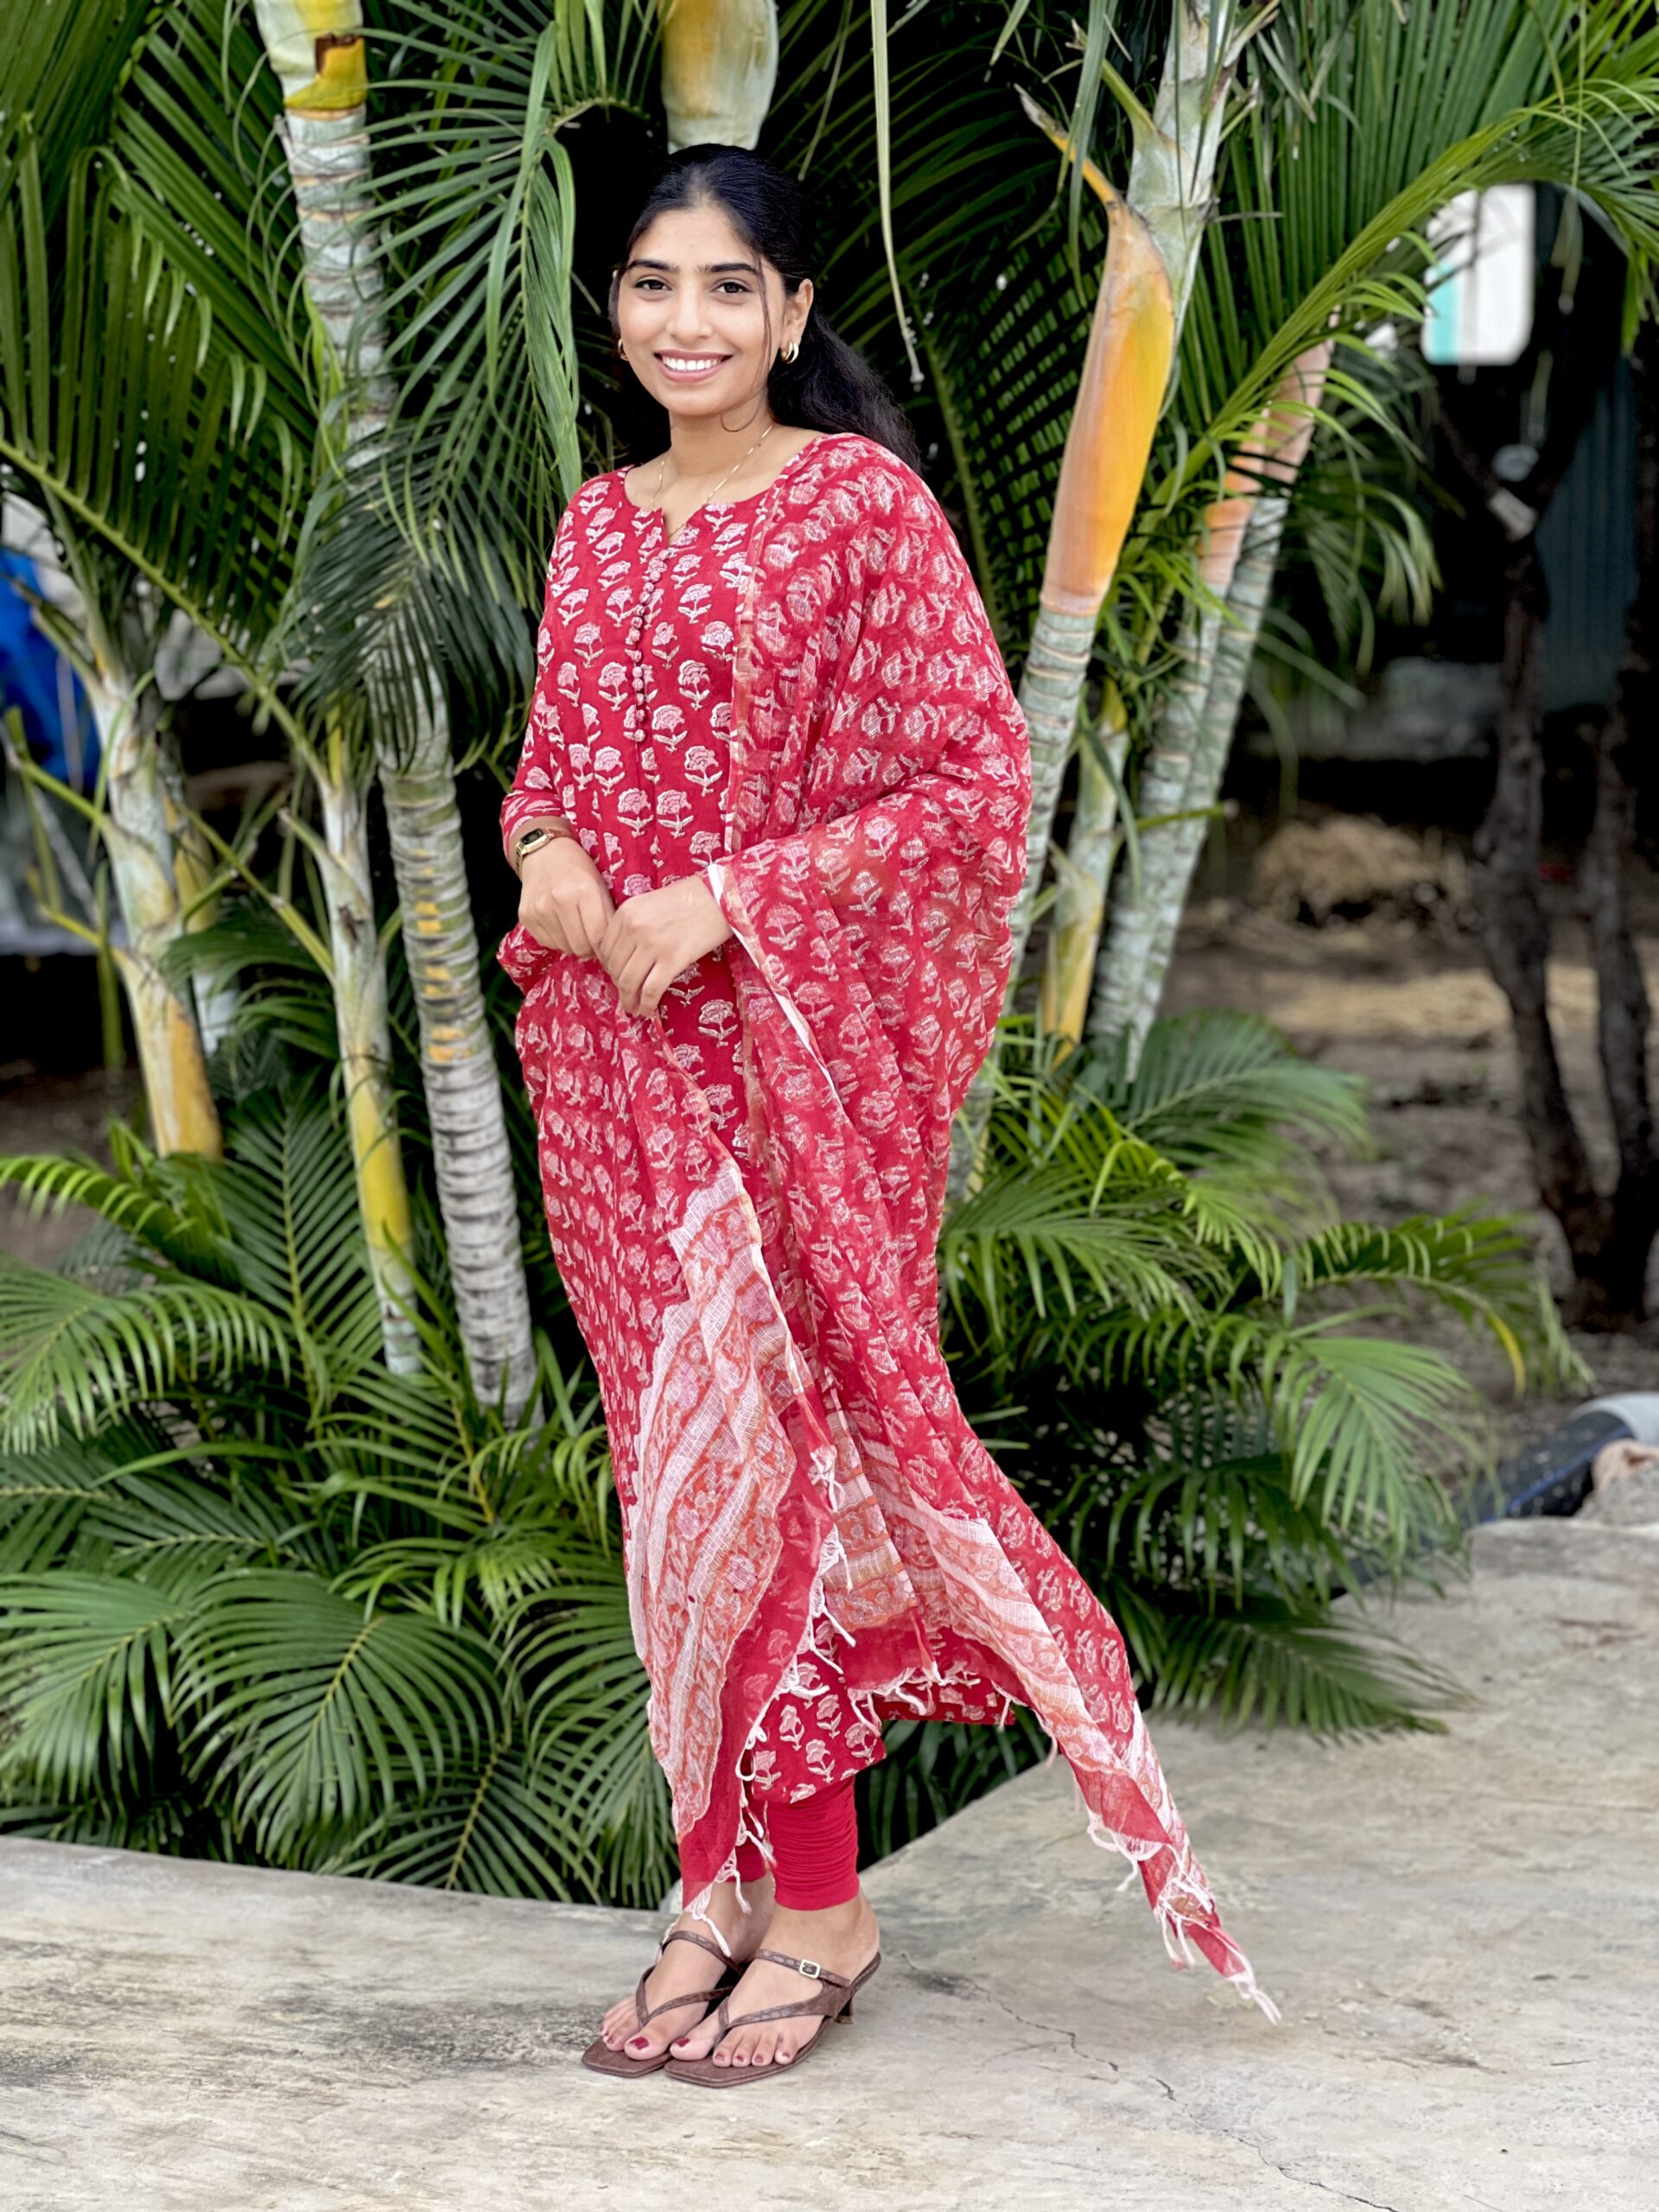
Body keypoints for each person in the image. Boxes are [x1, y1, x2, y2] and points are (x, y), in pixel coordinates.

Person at [498, 144, 1273, 2090]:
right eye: (654, 284)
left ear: (794, 311)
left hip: (780, 1073)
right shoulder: (596, 522)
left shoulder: (859, 510)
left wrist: (725, 898)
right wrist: (559, 853)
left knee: (787, 1456)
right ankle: (717, 1877)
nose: (688, 321)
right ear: (619, 306)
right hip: (610, 1076)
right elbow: (543, 769)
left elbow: (967, 786)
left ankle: (823, 1903)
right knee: (672, 1475)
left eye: (728, 288)